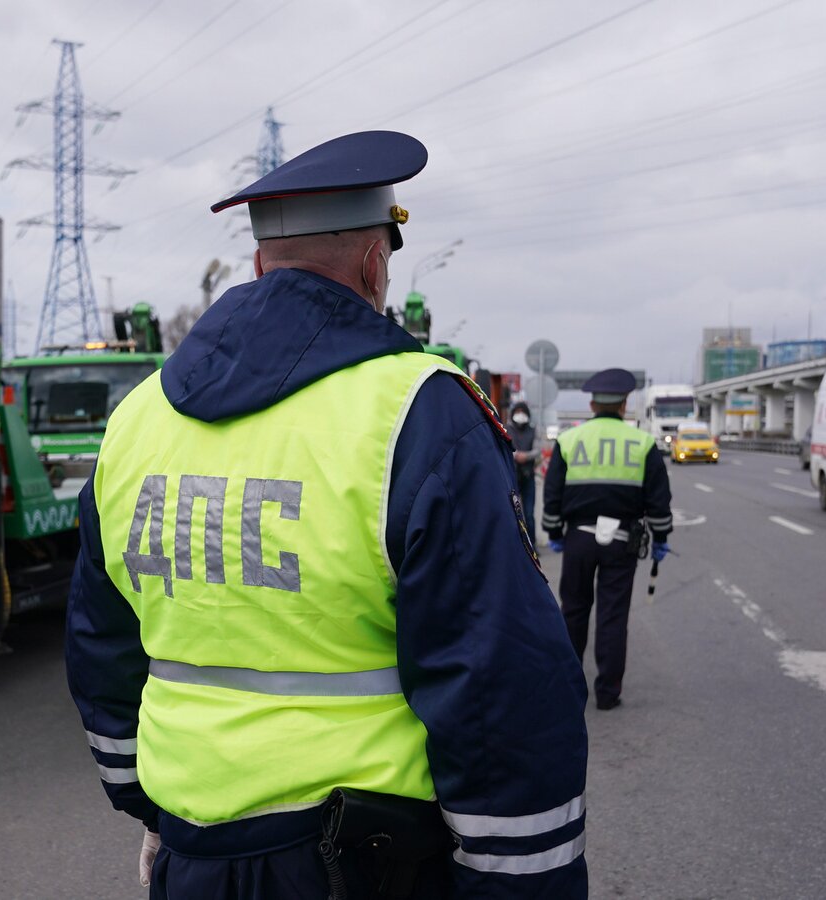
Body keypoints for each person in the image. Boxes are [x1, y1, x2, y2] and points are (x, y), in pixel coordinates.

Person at [65, 130, 589, 900]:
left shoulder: (138, 419)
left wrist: (144, 805)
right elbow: (499, 683)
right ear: (376, 266)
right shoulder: (419, 411)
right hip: (366, 864)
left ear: (257, 265)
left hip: (190, 858)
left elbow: (99, 643)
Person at [542, 368, 672, 711]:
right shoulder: (643, 443)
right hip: (622, 541)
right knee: (613, 617)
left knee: (573, 613)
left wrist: (555, 533)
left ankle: (570, 690)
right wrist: (661, 537)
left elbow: (552, 494)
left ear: (592, 403)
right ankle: (608, 693)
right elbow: (658, 501)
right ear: (625, 404)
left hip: (579, 540)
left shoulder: (569, 440)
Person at [505, 401, 539, 540]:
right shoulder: (507, 429)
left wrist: (526, 456)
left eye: (523, 412)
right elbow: (504, 447)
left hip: (528, 476)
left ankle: (533, 544)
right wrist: (516, 455)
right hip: (512, 476)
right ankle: (516, 544)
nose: (520, 415)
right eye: (517, 412)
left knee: (529, 514)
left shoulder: (532, 430)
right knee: (512, 513)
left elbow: (538, 450)